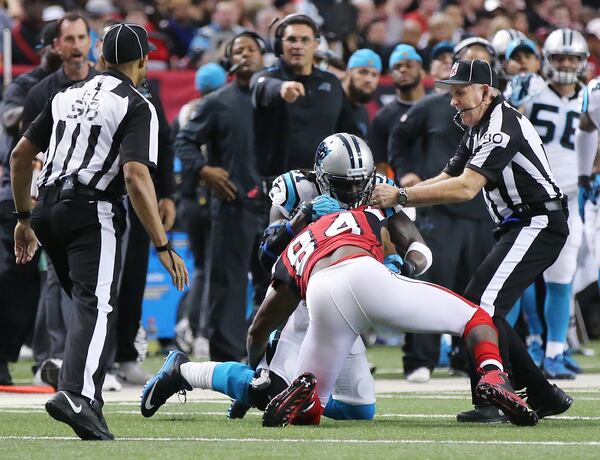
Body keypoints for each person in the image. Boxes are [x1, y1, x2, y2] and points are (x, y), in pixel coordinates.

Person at [142, 134, 416, 422]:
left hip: (344, 307)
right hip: (301, 298)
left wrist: (401, 264)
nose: (354, 191)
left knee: (357, 410)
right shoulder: (298, 189)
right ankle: (184, 371)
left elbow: (416, 245)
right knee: (271, 392)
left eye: (361, 182)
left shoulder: (381, 192)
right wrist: (302, 217)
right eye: (343, 184)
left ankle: (263, 387)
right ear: (321, 176)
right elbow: (267, 254)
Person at [10, 23, 189, 440]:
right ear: (142, 62)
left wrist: (23, 218)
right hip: (92, 209)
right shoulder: (137, 103)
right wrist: (161, 242)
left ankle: (89, 398)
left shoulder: (63, 95)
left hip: (47, 208)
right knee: (99, 305)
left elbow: (21, 155)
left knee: (88, 307)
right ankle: (76, 394)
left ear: (102, 59)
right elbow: (134, 175)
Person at [371, 59, 573, 423]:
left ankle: (498, 396)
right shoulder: (478, 127)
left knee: (482, 309)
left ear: (486, 90)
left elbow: (465, 188)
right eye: (451, 93)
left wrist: (399, 197)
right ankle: (541, 393)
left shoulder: (500, 126)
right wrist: (397, 192)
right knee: (476, 307)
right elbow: (446, 176)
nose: (453, 101)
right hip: (521, 223)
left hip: (538, 221)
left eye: (460, 92)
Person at [387, 44, 496, 386]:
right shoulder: (432, 107)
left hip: (482, 212)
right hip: (441, 211)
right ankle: (420, 357)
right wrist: (405, 175)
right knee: (430, 284)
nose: (455, 101)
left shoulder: (500, 119)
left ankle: (470, 359)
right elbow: (398, 137)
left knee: (478, 290)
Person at [175, 31, 267, 363]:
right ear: (229, 61)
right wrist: (204, 170)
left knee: (276, 283)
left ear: (264, 55)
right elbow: (183, 142)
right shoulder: (217, 102)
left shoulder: (277, 97)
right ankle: (227, 360)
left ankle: (271, 353)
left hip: (277, 206)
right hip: (233, 204)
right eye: (237, 50)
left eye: (251, 49)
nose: (245, 54)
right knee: (226, 285)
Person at [505, 28, 588, 379]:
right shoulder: (530, 89)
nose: (566, 63)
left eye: (572, 57)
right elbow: (504, 126)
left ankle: (555, 351)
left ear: (583, 61)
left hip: (571, 196)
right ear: (547, 59)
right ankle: (499, 351)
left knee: (562, 276)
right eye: (559, 57)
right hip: (530, 196)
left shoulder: (592, 96)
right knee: (511, 276)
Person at [0, 21, 61, 386]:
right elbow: (10, 119)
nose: (70, 48)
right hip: (19, 194)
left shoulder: (85, 87)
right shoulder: (28, 88)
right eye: (62, 40)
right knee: (11, 276)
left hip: (59, 194)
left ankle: (45, 356)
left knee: (40, 282)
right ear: (45, 47)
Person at [251, 13, 357, 178]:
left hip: (325, 186)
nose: (298, 46)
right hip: (276, 187)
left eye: (305, 40)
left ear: (316, 44)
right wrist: (282, 88)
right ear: (279, 45)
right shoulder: (266, 78)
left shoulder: (332, 83)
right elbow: (261, 87)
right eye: (292, 39)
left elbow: (349, 130)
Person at [20, 14, 99, 134]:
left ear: (89, 41)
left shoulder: (108, 87)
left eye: (81, 37)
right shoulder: (39, 94)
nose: (76, 46)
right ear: (57, 45)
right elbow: (26, 148)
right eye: (69, 39)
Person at [369, 44, 425, 175]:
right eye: (397, 67)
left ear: (422, 71)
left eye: (409, 65)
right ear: (391, 75)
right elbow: (380, 167)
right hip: (400, 191)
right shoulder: (382, 118)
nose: (403, 70)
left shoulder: (437, 108)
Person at [342, 48, 382, 138]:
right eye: (363, 72)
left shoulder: (363, 112)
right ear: (348, 72)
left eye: (374, 75)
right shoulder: (331, 102)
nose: (369, 79)